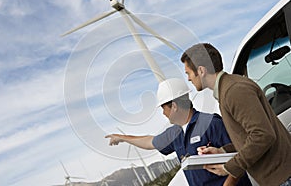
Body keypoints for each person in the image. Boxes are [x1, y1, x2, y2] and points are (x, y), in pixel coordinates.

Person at [105, 78, 251, 186]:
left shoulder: (212, 123)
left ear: (174, 106)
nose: (163, 113)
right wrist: (121, 137)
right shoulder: (175, 133)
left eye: (164, 108)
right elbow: (149, 142)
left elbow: (240, 158)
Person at [181, 43, 291, 186]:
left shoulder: (233, 91)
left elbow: (263, 135)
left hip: (283, 178)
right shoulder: (227, 90)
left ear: (201, 70)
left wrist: (229, 168)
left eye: (188, 73)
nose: (189, 79)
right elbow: (249, 138)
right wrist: (221, 151)